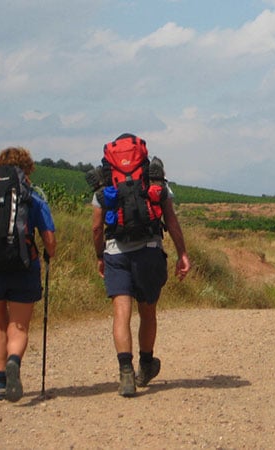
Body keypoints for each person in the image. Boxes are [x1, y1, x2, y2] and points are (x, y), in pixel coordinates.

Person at [91, 133, 190, 397]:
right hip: (149, 252)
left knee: (121, 314)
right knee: (147, 313)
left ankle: (126, 371)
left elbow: (97, 227)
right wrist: (182, 253)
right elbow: (171, 220)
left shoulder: (105, 185)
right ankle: (145, 365)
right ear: (142, 154)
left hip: (115, 254)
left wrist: (100, 255)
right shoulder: (154, 179)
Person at [0, 147, 56, 402]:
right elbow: (49, 239)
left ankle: (0, 384)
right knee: (18, 325)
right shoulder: (33, 197)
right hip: (23, 267)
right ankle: (13, 362)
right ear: (27, 169)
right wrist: (48, 254)